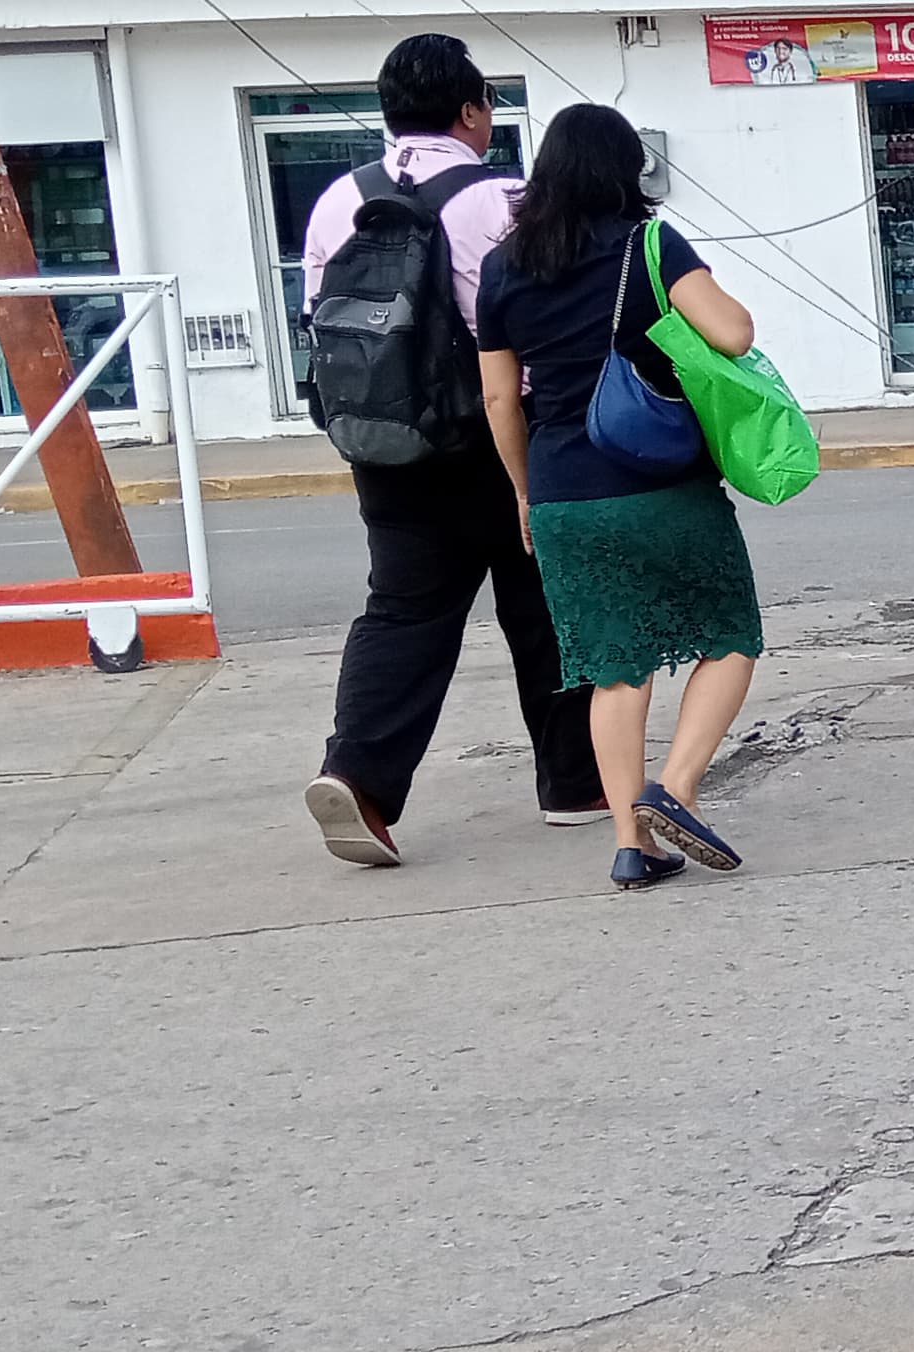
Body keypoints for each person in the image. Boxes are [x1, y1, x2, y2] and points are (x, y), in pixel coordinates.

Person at [299, 34, 604, 868]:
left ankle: (356, 776)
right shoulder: (502, 197)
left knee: (403, 609)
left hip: (384, 441)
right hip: (500, 433)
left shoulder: (336, 202)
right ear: (470, 112)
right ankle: (576, 784)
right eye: (487, 108)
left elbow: (320, 324)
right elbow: (541, 317)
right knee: (546, 603)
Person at [474, 104, 770, 892]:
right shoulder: (650, 245)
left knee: (614, 668)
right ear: (624, 170)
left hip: (565, 492)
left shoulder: (502, 269)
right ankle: (675, 786)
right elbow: (734, 334)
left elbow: (502, 402)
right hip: (660, 479)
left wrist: (525, 494)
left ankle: (632, 843)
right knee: (729, 633)